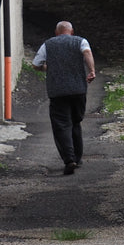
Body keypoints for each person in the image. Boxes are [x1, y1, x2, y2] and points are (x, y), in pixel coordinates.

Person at [32, 20, 96, 175]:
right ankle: (78, 157)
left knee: (62, 125)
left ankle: (69, 159)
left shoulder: (48, 44)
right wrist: (92, 70)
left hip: (58, 91)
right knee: (75, 122)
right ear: (71, 31)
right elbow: (87, 52)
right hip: (78, 90)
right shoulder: (80, 41)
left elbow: (36, 64)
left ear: (56, 32)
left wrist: (47, 67)